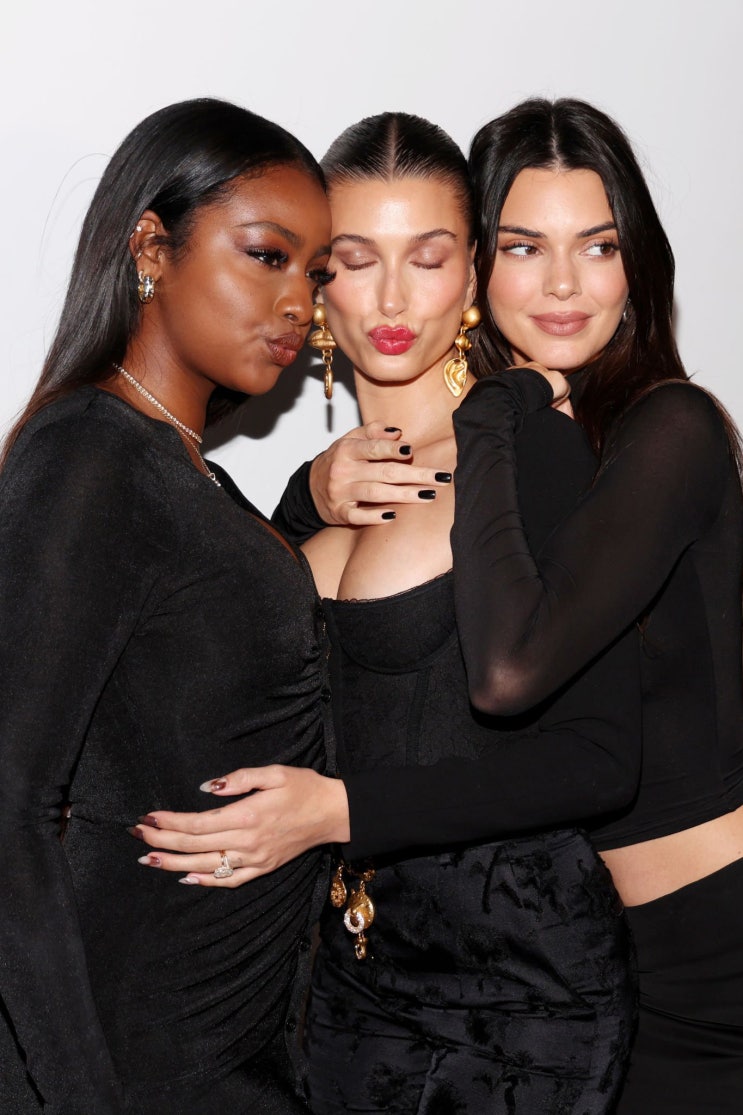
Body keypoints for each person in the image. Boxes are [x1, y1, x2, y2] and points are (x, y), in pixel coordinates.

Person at [134, 111, 641, 1114]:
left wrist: (340, 810)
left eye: (429, 257)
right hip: (348, 980)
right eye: (357, 261)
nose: (393, 299)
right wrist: (302, 498)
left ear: (471, 274)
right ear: (318, 284)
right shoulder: (309, 489)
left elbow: (597, 760)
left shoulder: (531, 452)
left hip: (523, 992)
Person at [0, 97, 337, 1114]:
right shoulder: (89, 459)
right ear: (152, 248)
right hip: (134, 1065)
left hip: (223, 1051)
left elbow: (196, 640)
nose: (298, 303)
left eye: (315, 273)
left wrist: (305, 506)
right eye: (267, 256)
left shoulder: (186, 475)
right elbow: (9, 804)